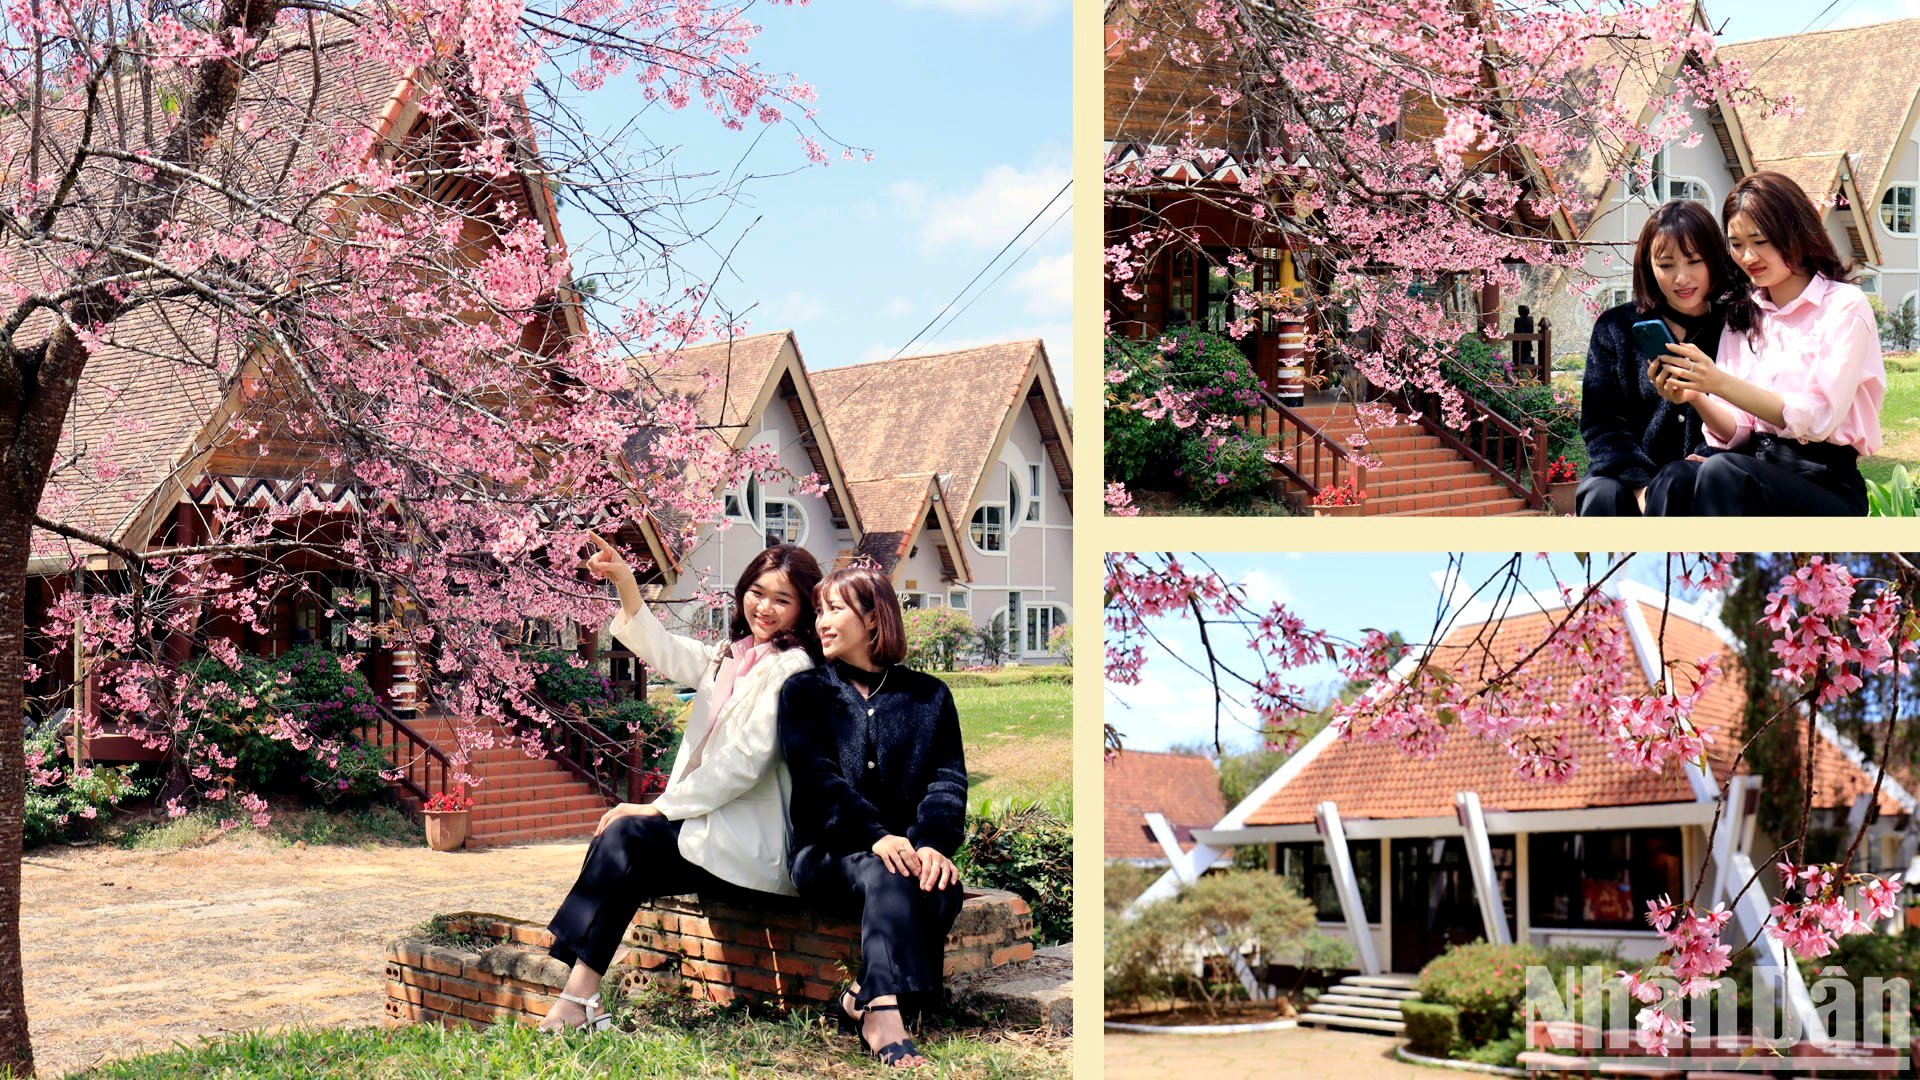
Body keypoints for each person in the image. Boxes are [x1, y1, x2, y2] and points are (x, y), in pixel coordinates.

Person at [538, 535, 823, 1033]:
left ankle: (574, 994)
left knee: (627, 835)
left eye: (783, 599)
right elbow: (664, 649)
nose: (765, 608)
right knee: (623, 848)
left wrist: (657, 808)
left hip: (743, 841)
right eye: (757, 592)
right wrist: (627, 582)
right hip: (704, 829)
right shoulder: (733, 656)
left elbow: (746, 762)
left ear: (803, 608)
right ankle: (579, 1000)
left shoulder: (792, 669)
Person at [777, 565, 968, 1069]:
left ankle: (859, 996)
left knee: (942, 886)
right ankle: (883, 1017)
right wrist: (877, 835)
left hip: (904, 850)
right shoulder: (804, 693)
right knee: (886, 872)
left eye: (834, 609)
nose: (821, 622)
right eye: (818, 610)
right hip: (826, 853)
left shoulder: (929, 696)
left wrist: (931, 843)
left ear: (874, 618)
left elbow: (947, 780)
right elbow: (818, 780)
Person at [1651, 170, 1884, 515]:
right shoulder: (1743, 315)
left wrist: (1720, 381)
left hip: (1825, 481)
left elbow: (1820, 417)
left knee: (1721, 471)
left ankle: (1736, 569)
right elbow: (1738, 430)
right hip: (1754, 465)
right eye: (1737, 243)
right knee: (1676, 475)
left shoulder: (1844, 306)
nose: (1748, 257)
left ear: (1796, 232)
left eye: (1760, 242)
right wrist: (1697, 394)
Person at [1576, 200, 1731, 515]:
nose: (1681, 278)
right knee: (1599, 493)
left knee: (1682, 484)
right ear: (1648, 265)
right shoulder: (1615, 327)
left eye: (1694, 261)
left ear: (1714, 260)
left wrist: (1705, 457)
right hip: (1626, 479)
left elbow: (1744, 416)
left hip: (1704, 471)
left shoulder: (1735, 326)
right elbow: (1602, 424)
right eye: (1666, 265)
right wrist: (1641, 487)